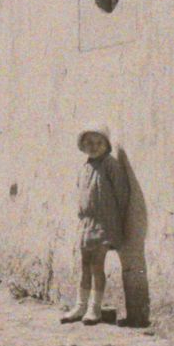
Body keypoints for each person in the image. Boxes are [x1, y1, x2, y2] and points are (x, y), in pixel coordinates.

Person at [62, 125, 131, 325]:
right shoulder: (85, 167)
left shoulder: (110, 165)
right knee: (84, 264)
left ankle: (95, 308)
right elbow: (82, 192)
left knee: (96, 265)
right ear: (83, 146)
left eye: (98, 142)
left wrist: (114, 219)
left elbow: (121, 193)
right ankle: (80, 306)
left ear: (106, 145)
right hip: (87, 224)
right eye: (89, 143)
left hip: (104, 224)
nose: (94, 146)